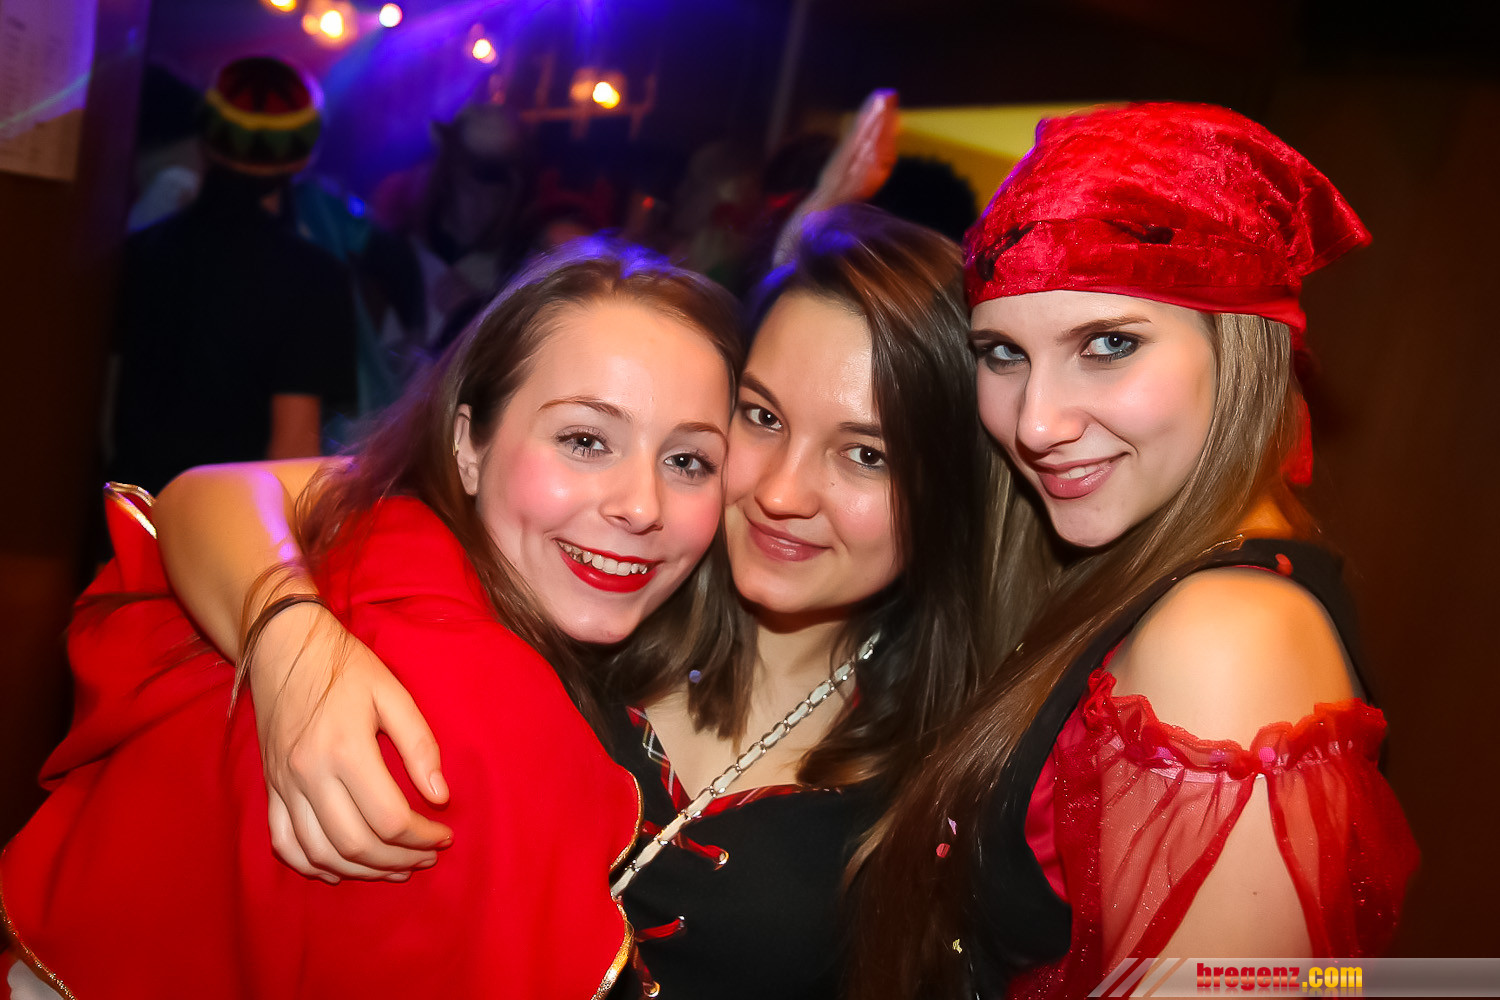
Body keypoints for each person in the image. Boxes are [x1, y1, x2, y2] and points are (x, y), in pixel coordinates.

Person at [113, 205, 999, 998]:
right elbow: (217, 497)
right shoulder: (568, 583)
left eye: (867, 455)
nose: (780, 492)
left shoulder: (947, 783)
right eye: (763, 418)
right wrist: (292, 649)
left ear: (951, 492)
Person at [1, 241, 744, 999]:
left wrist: (285, 634)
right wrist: (295, 647)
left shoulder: (374, 538)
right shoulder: (478, 714)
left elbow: (218, 491)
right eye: (584, 441)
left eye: (687, 461)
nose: (641, 506)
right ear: (468, 444)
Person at [850, 102, 1420, 999]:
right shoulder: (1144, 569)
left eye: (1108, 344)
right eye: (1002, 354)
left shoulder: (1227, 637)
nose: (1037, 423)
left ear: (1242, 348)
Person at [107, 56, 357, 495]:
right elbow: (291, 455)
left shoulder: (139, 251)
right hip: (226, 526)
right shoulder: (314, 277)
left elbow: (106, 415)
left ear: (207, 137)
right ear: (304, 153)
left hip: (129, 516)